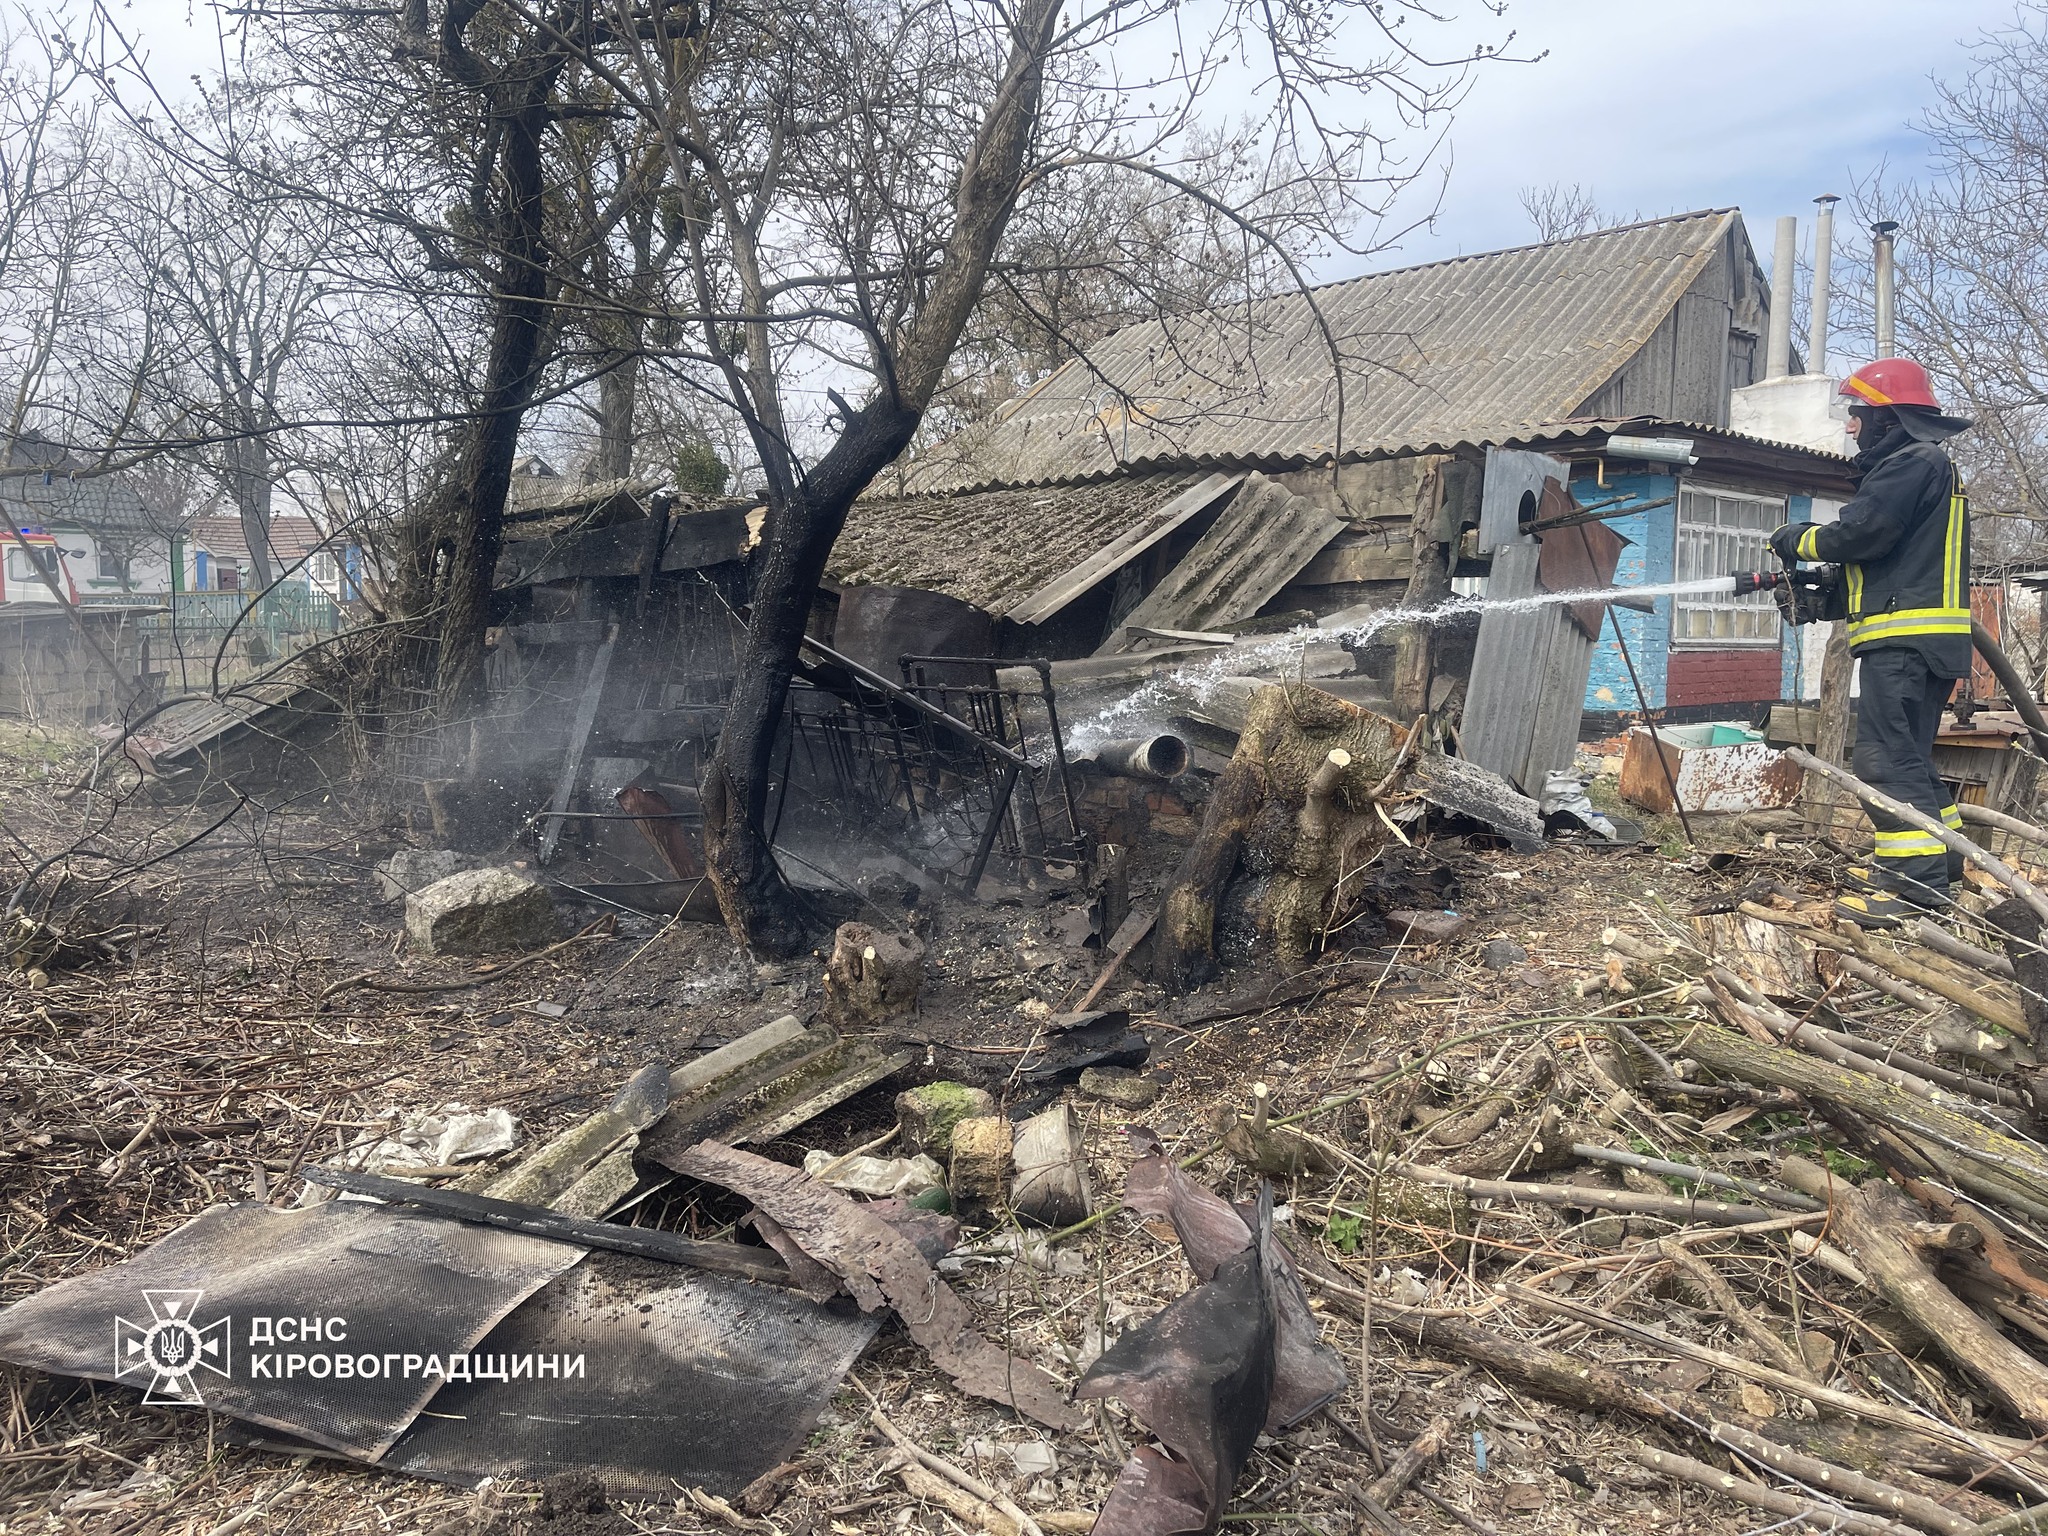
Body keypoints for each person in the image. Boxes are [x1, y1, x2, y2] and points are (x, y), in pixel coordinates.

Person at [1768, 357, 1973, 927]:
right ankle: (1947, 865)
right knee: (1910, 758)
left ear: (1889, 418)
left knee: (1883, 760)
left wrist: (1798, 539)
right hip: (1923, 639)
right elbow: (1892, 557)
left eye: (1860, 414)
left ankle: (1913, 889)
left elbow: (1863, 533)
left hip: (1904, 641)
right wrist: (1832, 592)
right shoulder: (1931, 468)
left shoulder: (1913, 462)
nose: (1852, 426)